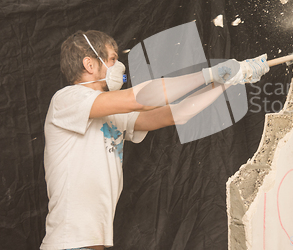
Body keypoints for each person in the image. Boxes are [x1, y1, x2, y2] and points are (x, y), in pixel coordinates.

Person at [40, 30, 269, 250]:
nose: (119, 67)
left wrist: (227, 82)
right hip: (68, 244)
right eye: (112, 59)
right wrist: (210, 74)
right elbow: (141, 99)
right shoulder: (67, 100)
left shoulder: (112, 113)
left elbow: (175, 114)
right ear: (89, 64)